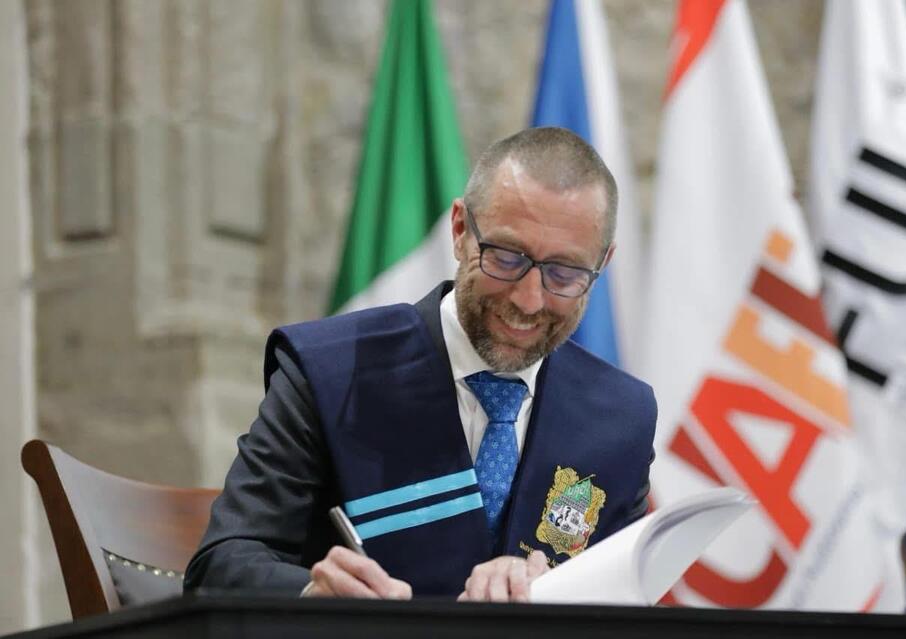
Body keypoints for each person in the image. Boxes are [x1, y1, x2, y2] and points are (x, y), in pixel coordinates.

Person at [184, 127, 657, 603]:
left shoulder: (621, 417)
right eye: (507, 258)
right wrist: (312, 593)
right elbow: (221, 565)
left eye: (565, 273)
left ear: (603, 263)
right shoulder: (329, 372)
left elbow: (626, 597)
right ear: (459, 230)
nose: (529, 300)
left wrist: (552, 593)